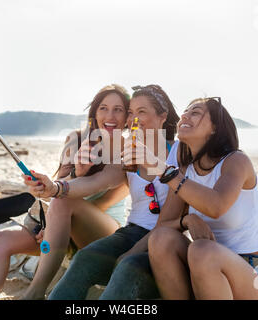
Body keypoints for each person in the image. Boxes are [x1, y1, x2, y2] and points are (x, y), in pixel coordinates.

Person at [0, 84, 130, 300]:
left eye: (118, 109)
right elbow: (58, 186)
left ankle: (35, 292)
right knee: (2, 239)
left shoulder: (129, 151)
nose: (110, 115)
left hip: (103, 230)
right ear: (94, 113)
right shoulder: (75, 139)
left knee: (64, 203)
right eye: (103, 108)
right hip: (61, 223)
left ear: (127, 116)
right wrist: (76, 172)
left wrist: (55, 222)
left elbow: (103, 202)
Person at [24, 84, 180, 300]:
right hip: (130, 233)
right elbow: (97, 182)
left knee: (128, 267)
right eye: (131, 113)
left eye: (141, 112)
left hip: (164, 240)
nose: (132, 119)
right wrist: (55, 188)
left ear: (162, 116)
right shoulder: (128, 153)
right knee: (85, 258)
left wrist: (132, 252)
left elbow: (180, 211)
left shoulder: (180, 152)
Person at [142, 97, 258, 300]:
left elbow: (216, 205)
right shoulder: (185, 171)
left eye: (195, 112)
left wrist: (163, 170)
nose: (184, 116)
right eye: (185, 112)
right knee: (161, 240)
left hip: (254, 272)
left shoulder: (236, 161)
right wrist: (187, 220)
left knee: (202, 250)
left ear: (215, 128)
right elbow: (162, 227)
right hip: (205, 267)